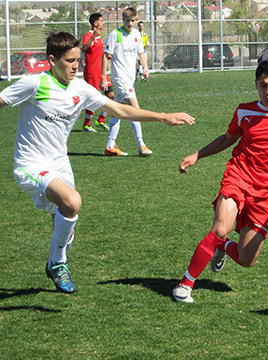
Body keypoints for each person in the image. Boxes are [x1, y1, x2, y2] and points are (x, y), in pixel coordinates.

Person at [0, 31, 194, 293]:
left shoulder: (80, 89)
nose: (75, 65)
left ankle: (55, 262)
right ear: (51, 60)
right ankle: (58, 264)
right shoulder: (34, 84)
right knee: (72, 201)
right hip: (30, 164)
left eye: (77, 60)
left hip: (60, 163)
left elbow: (120, 110)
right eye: (69, 61)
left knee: (66, 221)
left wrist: (162, 116)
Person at [173, 59, 268, 303]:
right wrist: (197, 155)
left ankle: (222, 246)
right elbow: (228, 138)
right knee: (220, 227)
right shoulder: (244, 111)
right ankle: (186, 283)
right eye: (263, 86)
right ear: (256, 85)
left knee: (245, 259)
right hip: (238, 176)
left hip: (265, 191)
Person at [101, 7, 152, 157]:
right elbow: (106, 56)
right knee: (135, 109)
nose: (130, 23)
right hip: (120, 78)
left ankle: (110, 146)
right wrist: (104, 77)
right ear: (123, 20)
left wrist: (145, 68)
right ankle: (141, 145)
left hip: (130, 78)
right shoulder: (115, 35)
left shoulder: (136, 34)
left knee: (117, 111)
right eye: (127, 20)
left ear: (136, 21)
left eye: (133, 20)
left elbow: (141, 53)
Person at [81, 13, 112, 132]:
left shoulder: (99, 37)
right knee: (93, 98)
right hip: (92, 72)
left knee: (110, 95)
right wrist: (93, 37)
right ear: (95, 24)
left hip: (101, 72)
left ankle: (101, 120)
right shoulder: (89, 35)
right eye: (102, 21)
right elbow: (84, 48)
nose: (103, 23)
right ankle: (86, 123)